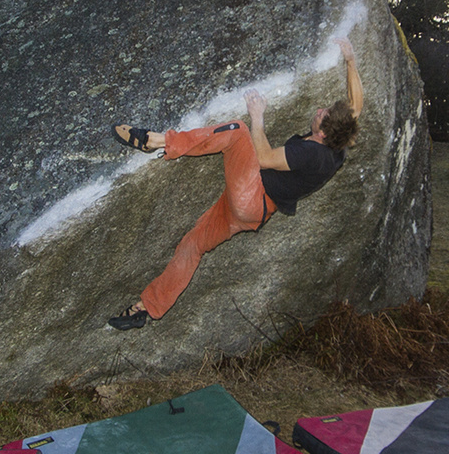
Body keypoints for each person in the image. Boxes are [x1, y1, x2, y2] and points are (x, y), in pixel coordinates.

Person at [106, 36, 364, 329]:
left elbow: (264, 158)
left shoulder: (312, 154)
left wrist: (258, 117)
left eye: (323, 116)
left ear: (324, 135)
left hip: (251, 195)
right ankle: (148, 308)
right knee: (193, 244)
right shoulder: (339, 143)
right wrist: (351, 59)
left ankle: (157, 141)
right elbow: (356, 105)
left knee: (238, 132)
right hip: (249, 214)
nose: (320, 110)